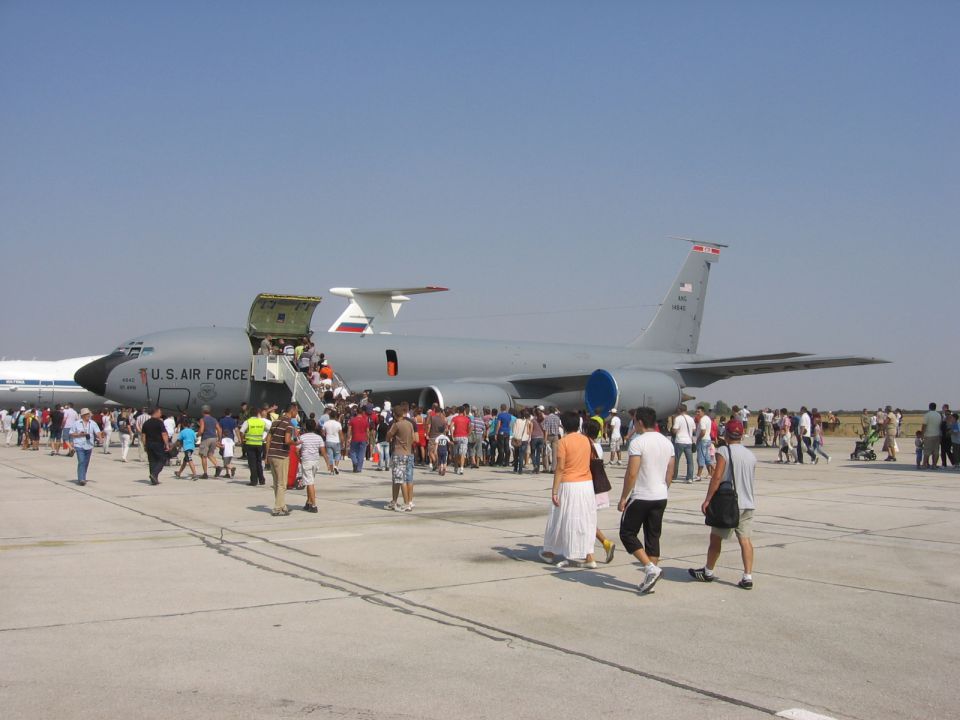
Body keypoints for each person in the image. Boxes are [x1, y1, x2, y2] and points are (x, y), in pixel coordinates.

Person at [689, 419, 757, 589]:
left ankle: (708, 571)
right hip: (747, 503)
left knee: (716, 538)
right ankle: (747, 576)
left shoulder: (723, 451)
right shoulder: (750, 455)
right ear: (741, 434)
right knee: (745, 540)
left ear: (726, 433)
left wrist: (708, 499)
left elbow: (717, 476)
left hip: (729, 504)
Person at [617, 406, 674, 593]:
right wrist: (663, 487)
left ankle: (650, 568)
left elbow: (632, 473)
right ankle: (650, 577)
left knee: (627, 533)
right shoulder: (667, 442)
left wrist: (624, 496)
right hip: (661, 494)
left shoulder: (638, 442)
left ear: (639, 421)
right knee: (653, 536)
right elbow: (670, 472)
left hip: (642, 495)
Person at [540, 411, 598, 569]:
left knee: (561, 519)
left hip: (569, 484)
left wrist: (554, 490)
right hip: (586, 484)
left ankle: (552, 553)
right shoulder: (587, 440)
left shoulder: (563, 442)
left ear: (563, 425)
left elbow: (560, 467)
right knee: (585, 519)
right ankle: (589, 556)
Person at [265, 404, 298, 516]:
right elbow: (287, 440)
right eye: (296, 411)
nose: (296, 414)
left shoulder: (275, 422)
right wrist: (296, 443)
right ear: (292, 411)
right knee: (282, 483)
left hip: (272, 454)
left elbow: (268, 439)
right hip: (281, 455)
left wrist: (267, 455)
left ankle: (282, 506)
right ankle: (278, 508)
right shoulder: (288, 424)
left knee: (276, 482)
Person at [386, 402, 417, 511]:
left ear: (394, 414)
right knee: (400, 479)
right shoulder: (410, 424)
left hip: (399, 454)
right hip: (409, 453)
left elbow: (388, 437)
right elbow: (414, 438)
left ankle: (406, 503)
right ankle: (395, 501)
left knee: (401, 479)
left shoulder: (397, 425)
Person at [67, 408, 103, 486]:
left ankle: (83, 477)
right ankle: (81, 479)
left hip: (89, 445)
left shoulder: (92, 423)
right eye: (87, 414)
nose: (88, 416)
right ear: (83, 415)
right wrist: (79, 434)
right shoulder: (76, 423)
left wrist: (100, 438)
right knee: (81, 461)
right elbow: (71, 433)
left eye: (89, 414)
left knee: (86, 463)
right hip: (79, 445)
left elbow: (97, 431)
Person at [298, 418, 326, 512]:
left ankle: (314, 505)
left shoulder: (302, 437)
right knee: (309, 481)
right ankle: (308, 502)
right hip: (315, 461)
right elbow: (323, 451)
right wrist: (328, 462)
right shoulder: (319, 437)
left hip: (306, 461)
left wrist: (299, 458)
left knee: (309, 483)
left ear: (306, 427)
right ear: (314, 427)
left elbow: (297, 450)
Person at [141, 408, 171, 485]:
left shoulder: (146, 423)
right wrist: (167, 444)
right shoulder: (159, 423)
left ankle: (154, 479)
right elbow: (164, 434)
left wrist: (144, 445)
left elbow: (143, 435)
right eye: (160, 413)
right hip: (158, 444)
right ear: (156, 412)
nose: (161, 415)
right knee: (162, 459)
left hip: (149, 444)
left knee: (152, 461)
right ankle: (154, 474)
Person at [239, 408, 269, 486]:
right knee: (259, 462)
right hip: (259, 444)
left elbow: (241, 431)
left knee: (252, 463)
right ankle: (262, 479)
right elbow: (270, 430)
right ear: (257, 414)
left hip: (250, 444)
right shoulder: (262, 422)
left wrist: (243, 440)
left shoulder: (248, 422)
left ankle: (254, 480)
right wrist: (265, 438)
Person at [671, 404, 696, 483]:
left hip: (680, 441)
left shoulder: (678, 418)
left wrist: (675, 431)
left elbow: (674, 430)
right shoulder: (691, 419)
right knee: (690, 461)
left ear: (679, 410)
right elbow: (694, 429)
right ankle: (690, 477)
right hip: (688, 441)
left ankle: (674, 476)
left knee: (676, 460)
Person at [196, 406, 223, 478]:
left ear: (202, 412)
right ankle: (217, 466)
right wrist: (219, 439)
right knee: (210, 454)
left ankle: (205, 474)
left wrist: (197, 435)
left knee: (203, 456)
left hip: (206, 438)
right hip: (214, 438)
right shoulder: (214, 419)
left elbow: (201, 430)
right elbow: (219, 429)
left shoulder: (202, 419)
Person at [450, 405, 472, 475]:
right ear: (464, 411)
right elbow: (471, 427)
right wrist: (468, 434)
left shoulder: (454, 418)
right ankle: (462, 468)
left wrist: (452, 436)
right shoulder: (467, 419)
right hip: (464, 437)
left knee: (456, 453)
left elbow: (451, 426)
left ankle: (456, 467)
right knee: (463, 453)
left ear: (458, 411)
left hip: (456, 437)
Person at [694, 407, 713, 480]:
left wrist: (698, 439)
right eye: (696, 412)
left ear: (703, 412)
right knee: (707, 457)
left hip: (703, 440)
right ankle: (710, 473)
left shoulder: (702, 420)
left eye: (699, 412)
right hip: (708, 439)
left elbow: (703, 431)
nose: (697, 413)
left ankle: (698, 475)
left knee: (700, 457)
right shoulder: (708, 418)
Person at [511, 408, 532, 474]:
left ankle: (515, 468)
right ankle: (520, 470)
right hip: (524, 439)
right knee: (521, 455)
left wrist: (514, 436)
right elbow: (529, 431)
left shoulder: (517, 421)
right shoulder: (527, 421)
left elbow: (514, 430)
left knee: (516, 454)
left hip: (517, 439)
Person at [323, 409, 344, 475]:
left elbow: (323, 432)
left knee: (330, 456)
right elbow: (341, 434)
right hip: (336, 441)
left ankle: (331, 471)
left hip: (328, 441)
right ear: (335, 416)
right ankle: (336, 466)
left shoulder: (326, 423)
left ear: (329, 416)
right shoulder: (338, 424)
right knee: (338, 454)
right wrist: (342, 443)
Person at [920, 402, 942, 468]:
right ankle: (934, 465)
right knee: (936, 451)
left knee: (927, 451)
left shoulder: (927, 415)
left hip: (928, 435)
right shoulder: (938, 415)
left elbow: (924, 425)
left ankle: (924, 464)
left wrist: (922, 434)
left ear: (929, 407)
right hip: (937, 435)